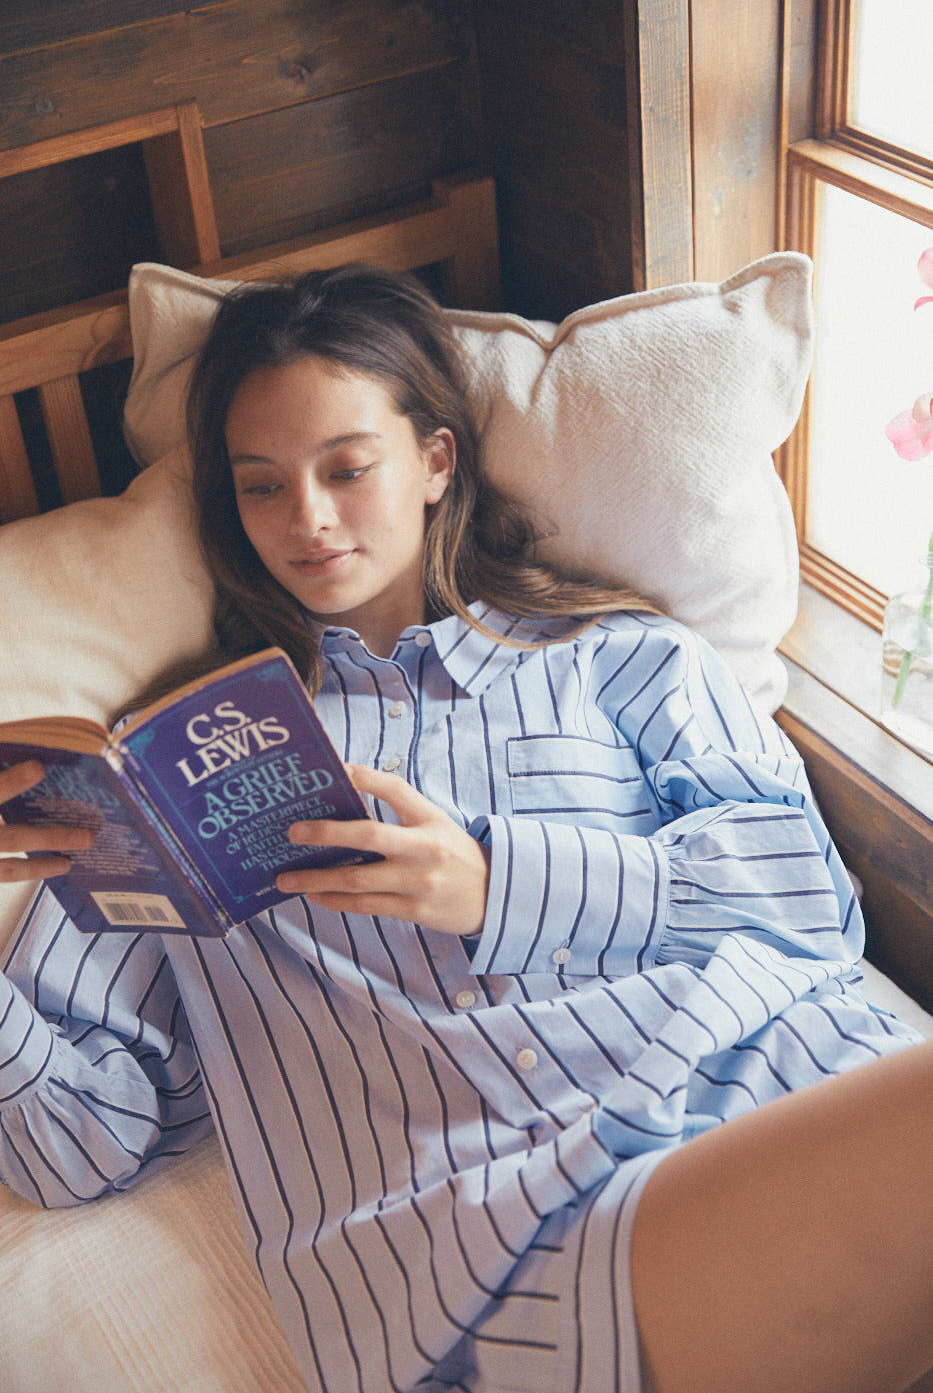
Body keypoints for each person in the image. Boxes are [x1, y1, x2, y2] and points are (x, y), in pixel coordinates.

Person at [1, 264, 932, 1393]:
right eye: (260, 486)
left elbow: (813, 907)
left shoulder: (617, 655)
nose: (307, 520)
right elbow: (77, 1149)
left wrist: (500, 882)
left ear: (437, 461)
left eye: (348, 468)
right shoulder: (177, 770)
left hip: (803, 1073)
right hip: (528, 1251)